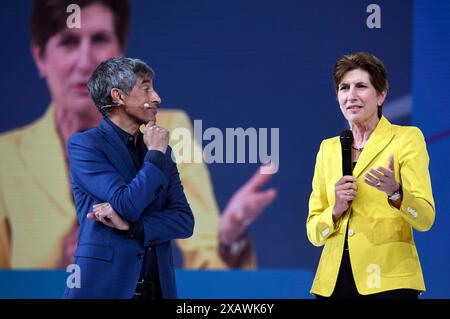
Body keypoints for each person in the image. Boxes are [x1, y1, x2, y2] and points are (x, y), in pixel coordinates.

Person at [0, 0, 276, 270]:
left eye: (99, 39)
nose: (85, 62)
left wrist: (227, 239)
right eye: (69, 42)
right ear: (40, 57)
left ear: (120, 55)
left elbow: (186, 226)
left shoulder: (170, 130)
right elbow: (126, 205)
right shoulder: (8, 155)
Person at [306, 52, 435, 298]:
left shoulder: (406, 139)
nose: (351, 96)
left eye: (361, 86)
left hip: (388, 281)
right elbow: (313, 232)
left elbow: (425, 218)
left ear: (381, 94)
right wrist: (335, 209)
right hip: (332, 284)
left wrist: (396, 193)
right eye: (344, 88)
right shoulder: (328, 148)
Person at [63, 56, 194, 299]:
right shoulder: (86, 145)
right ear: (118, 96)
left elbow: (184, 221)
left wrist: (134, 228)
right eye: (146, 89)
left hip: (157, 291)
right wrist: (155, 154)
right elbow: (127, 204)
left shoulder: (162, 152)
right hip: (102, 290)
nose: (156, 98)